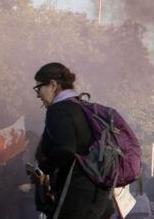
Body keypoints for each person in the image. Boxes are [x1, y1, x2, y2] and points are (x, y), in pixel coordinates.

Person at [33, 62, 113, 219]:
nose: (38, 94)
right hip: (100, 194)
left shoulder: (58, 110)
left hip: (76, 195)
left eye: (39, 87)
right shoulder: (83, 107)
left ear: (53, 84)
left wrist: (43, 168)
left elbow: (66, 148)